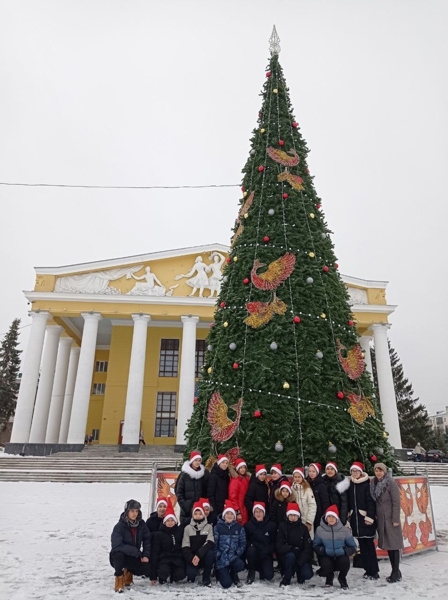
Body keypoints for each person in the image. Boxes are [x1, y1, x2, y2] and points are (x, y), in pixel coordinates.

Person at [370, 463, 404, 583]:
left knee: (394, 544)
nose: (378, 473)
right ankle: (396, 571)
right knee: (388, 545)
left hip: (390, 519)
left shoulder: (391, 483)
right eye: (376, 470)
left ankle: (395, 571)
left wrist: (395, 519)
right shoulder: (373, 483)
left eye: (380, 470)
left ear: (384, 471)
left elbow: (396, 502)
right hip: (381, 519)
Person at [345, 462, 379, 580]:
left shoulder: (367, 485)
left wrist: (369, 517)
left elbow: (371, 503)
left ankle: (374, 571)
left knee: (369, 546)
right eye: (353, 471)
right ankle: (367, 569)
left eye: (356, 471)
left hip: (365, 519)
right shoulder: (351, 485)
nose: (355, 473)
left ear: (361, 472)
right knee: (362, 547)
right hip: (356, 520)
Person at [110, 499, 151, 593]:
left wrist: (145, 555)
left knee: (147, 568)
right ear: (127, 512)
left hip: (134, 555)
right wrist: (136, 552)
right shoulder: (119, 526)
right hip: (119, 557)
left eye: (136, 511)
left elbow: (147, 539)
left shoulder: (141, 524)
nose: (134, 514)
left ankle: (128, 572)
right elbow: (117, 546)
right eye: (132, 511)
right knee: (118, 554)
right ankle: (119, 578)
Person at [313, 505, 357, 590]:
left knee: (345, 562)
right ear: (326, 518)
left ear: (337, 518)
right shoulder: (319, 529)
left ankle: (342, 578)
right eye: (329, 516)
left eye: (333, 516)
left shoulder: (345, 530)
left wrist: (344, 551)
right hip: (327, 555)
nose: (331, 519)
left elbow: (353, 547)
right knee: (325, 564)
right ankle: (329, 577)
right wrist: (323, 550)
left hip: (340, 556)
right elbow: (315, 545)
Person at [276, 502, 314, 587]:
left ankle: (300, 573)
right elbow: (279, 546)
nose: (293, 517)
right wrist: (291, 548)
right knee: (290, 556)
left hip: (301, 556)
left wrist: (300, 561)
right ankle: (287, 578)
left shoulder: (303, 528)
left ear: (298, 516)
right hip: (288, 556)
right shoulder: (282, 526)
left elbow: (308, 548)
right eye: (291, 515)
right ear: (287, 515)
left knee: (307, 574)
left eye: (295, 515)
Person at [150, 499, 186, 585]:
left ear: (175, 521)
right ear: (164, 522)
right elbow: (155, 553)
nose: (170, 523)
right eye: (168, 521)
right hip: (164, 559)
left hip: (177, 559)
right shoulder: (159, 534)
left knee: (181, 574)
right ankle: (163, 576)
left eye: (172, 520)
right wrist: (153, 575)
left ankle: (174, 576)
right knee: (163, 572)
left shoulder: (179, 531)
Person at [214, 500, 246, 588]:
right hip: (222, 558)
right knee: (226, 584)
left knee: (240, 565)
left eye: (231, 514)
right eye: (227, 514)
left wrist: (237, 552)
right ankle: (219, 572)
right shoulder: (217, 527)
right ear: (224, 515)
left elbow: (242, 543)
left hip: (233, 556)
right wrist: (218, 555)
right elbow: (214, 544)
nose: (229, 516)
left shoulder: (239, 528)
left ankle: (233, 572)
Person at [182, 501, 215, 587]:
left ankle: (206, 576)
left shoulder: (209, 527)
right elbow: (185, 546)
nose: (198, 515)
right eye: (195, 513)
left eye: (200, 513)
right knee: (191, 574)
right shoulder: (187, 528)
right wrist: (191, 558)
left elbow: (210, 542)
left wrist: (198, 555)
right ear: (192, 515)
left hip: (203, 556)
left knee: (211, 554)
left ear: (203, 514)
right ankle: (193, 573)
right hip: (192, 558)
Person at [244, 501, 276, 584]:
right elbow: (245, 541)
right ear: (253, 513)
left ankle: (262, 569)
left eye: (260, 512)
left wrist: (268, 550)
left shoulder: (271, 525)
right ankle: (251, 571)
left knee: (268, 576)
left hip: (266, 554)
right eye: (256, 512)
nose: (258, 514)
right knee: (251, 550)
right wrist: (251, 545)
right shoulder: (248, 525)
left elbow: (274, 542)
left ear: (264, 513)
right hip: (254, 553)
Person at [176, 450, 208, 519]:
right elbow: (178, 491)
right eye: (196, 460)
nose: (197, 462)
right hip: (187, 511)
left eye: (199, 460)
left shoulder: (203, 475)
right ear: (192, 461)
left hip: (200, 510)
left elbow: (205, 491)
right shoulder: (184, 475)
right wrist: (185, 505)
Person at [291, 467, 317, 538]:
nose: (297, 479)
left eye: (299, 477)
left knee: (307, 538)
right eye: (295, 477)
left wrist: (309, 521)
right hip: (296, 519)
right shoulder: (292, 489)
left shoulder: (307, 489)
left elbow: (312, 505)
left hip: (306, 519)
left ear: (302, 477)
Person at [306, 463, 331, 532]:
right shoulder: (306, 483)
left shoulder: (321, 485)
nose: (311, 473)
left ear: (317, 472)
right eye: (310, 471)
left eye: (313, 471)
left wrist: (323, 517)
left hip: (318, 514)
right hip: (308, 513)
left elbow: (325, 502)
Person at [228, 458, 250, 525]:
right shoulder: (235, 481)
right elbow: (232, 498)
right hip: (240, 509)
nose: (243, 469)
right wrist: (238, 512)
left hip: (245, 508)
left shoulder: (247, 479)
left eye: (244, 467)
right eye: (241, 468)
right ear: (237, 469)